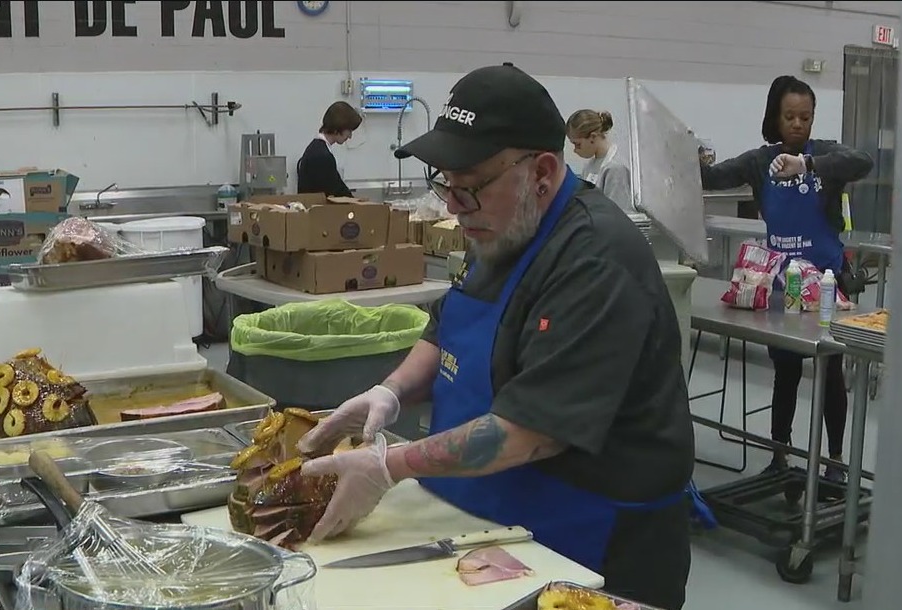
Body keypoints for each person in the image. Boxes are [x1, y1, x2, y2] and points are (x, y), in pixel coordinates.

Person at [296, 63, 709, 610]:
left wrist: (388, 465)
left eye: (469, 187)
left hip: (588, 541)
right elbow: (447, 331)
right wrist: (390, 392)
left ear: (541, 171)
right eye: (445, 184)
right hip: (483, 522)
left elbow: (530, 432)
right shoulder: (499, 223)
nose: (452, 206)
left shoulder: (595, 259)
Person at [699, 75, 874, 482]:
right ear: (775, 118)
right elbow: (713, 178)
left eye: (805, 117)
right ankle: (780, 456)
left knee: (831, 373)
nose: (798, 124)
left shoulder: (826, 155)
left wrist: (808, 164)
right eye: (790, 116)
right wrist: (683, 156)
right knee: (787, 372)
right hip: (783, 287)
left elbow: (862, 161)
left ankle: (834, 464)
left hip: (828, 288)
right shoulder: (759, 162)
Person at [567, 108, 633, 212]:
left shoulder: (616, 168)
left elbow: (618, 214)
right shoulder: (589, 167)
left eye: (578, 144)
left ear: (592, 137)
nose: (575, 150)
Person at [296, 101, 362, 197]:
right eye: (349, 130)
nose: (350, 136)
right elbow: (336, 191)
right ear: (338, 128)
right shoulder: (322, 156)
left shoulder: (316, 148)